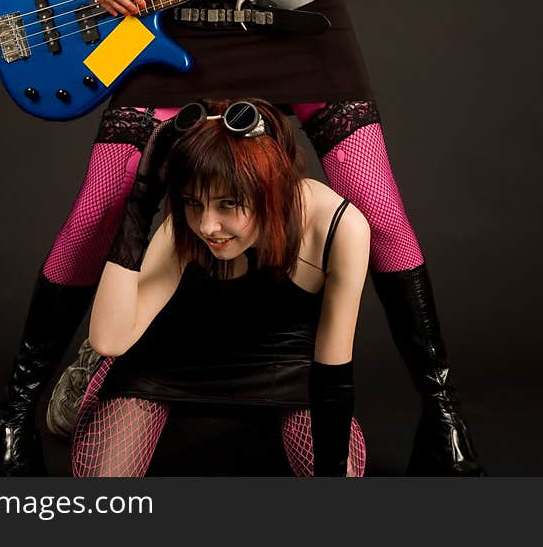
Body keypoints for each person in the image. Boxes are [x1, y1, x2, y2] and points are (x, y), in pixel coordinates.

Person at [0, 0, 483, 476]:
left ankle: (443, 417)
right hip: (170, 0)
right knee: (103, 203)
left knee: (383, 210)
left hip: (294, 2)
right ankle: (15, 417)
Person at [71, 99, 368, 476]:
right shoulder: (182, 227)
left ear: (270, 190)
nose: (208, 226)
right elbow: (110, 340)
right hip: (169, 364)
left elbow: (334, 373)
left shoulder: (338, 227)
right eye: (194, 203)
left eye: (229, 204)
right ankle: (84, 375)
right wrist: (141, 203)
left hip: (285, 368)